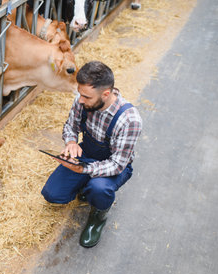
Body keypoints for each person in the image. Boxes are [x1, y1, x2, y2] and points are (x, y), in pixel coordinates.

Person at [41, 61, 142, 248]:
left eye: (86, 96)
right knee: (52, 194)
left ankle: (98, 216)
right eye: (80, 94)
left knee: (99, 189)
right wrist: (71, 142)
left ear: (106, 94)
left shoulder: (129, 119)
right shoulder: (83, 100)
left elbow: (118, 164)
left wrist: (83, 169)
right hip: (87, 152)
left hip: (114, 165)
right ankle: (87, 185)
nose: (80, 100)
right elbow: (71, 126)